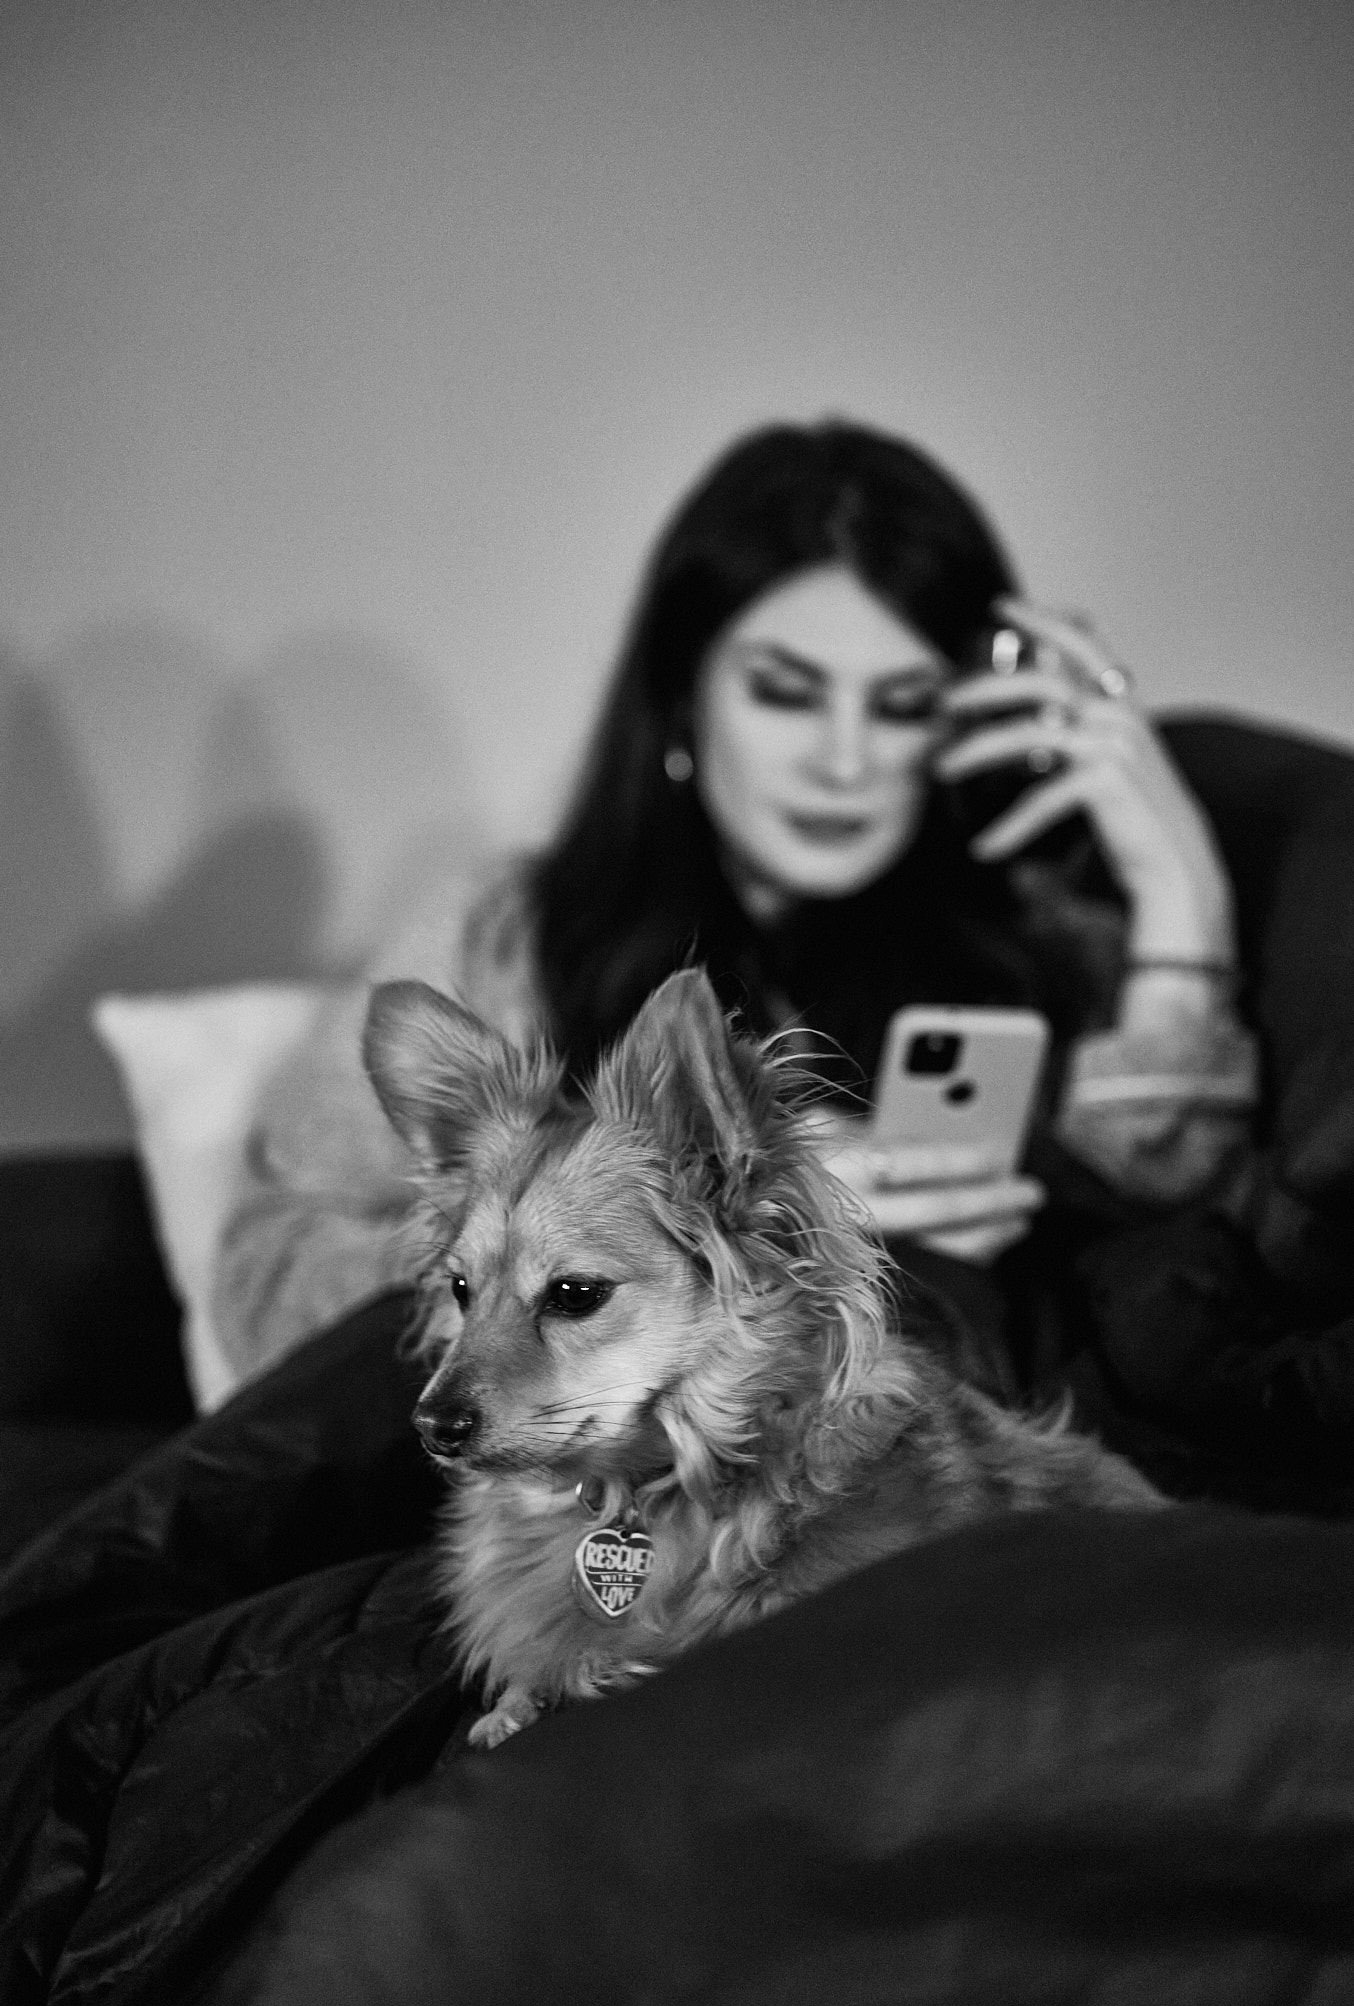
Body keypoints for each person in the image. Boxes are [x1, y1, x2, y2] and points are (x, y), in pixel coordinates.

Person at [212, 420, 1258, 1406]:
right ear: (682, 692)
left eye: (902, 706)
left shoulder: (1029, 933)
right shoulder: (506, 931)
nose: (844, 760)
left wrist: (1185, 898)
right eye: (786, 692)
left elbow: (1166, 1265)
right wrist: (631, 1242)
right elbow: (266, 1286)